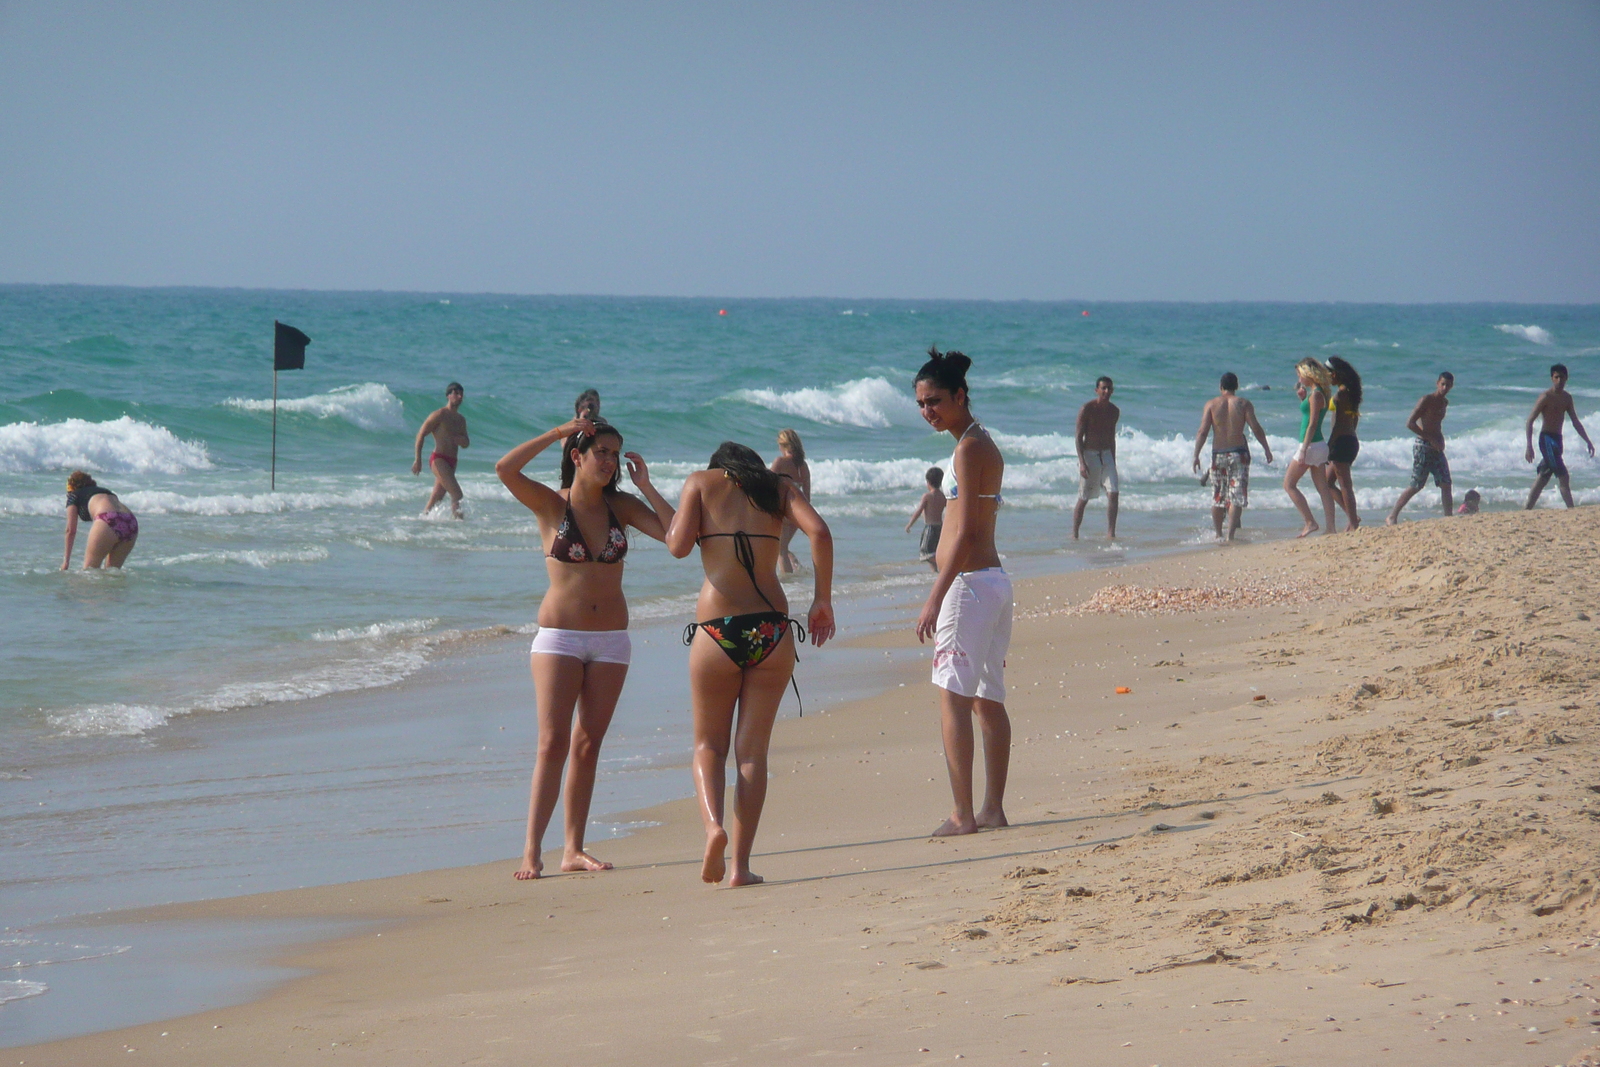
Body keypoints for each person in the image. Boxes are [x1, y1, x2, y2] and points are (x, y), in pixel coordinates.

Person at [495, 417, 677, 880]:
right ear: (578, 456)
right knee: (552, 742)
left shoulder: (623, 506)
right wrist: (557, 433)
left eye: (616, 454)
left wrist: (648, 486)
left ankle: (572, 848)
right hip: (559, 639)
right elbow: (505, 469)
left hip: (612, 641)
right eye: (602, 452)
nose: (611, 461)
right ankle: (532, 850)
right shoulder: (552, 507)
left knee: (588, 745)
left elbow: (679, 541)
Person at [668, 442, 834, 887]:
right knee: (752, 753)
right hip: (771, 632)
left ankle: (713, 828)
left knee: (708, 746)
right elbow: (820, 533)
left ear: (717, 466)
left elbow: (678, 547)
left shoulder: (700, 484)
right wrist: (822, 600)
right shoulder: (779, 488)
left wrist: (651, 492)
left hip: (717, 630)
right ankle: (740, 867)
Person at [913, 347, 1011, 838]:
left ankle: (962, 814)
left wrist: (936, 593)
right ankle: (991, 808)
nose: (928, 411)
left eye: (934, 401)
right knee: (986, 698)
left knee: (953, 697)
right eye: (922, 405)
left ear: (960, 396)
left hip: (969, 585)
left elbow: (967, 531)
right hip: (991, 583)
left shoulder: (968, 448)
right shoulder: (980, 444)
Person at [1190, 372, 1272, 542]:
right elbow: (1256, 427)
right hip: (1239, 453)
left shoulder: (1211, 404)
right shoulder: (1243, 404)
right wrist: (1266, 449)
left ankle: (1218, 534)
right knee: (1236, 495)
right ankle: (1230, 536)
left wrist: (1196, 455)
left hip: (1218, 454)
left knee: (1218, 496)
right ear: (1237, 387)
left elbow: (1202, 431)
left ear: (1221, 387)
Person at [1386, 372, 1455, 525]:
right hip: (1423, 446)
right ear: (1437, 383)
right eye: (1442, 384)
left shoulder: (1444, 403)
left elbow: (1436, 424)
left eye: (1448, 385)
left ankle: (1449, 518)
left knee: (1446, 483)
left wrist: (1440, 439)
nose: (1445, 388)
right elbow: (1410, 423)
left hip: (1436, 448)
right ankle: (1392, 515)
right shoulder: (1427, 400)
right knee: (1416, 484)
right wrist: (1430, 438)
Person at [1282, 358, 1340, 538]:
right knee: (1323, 488)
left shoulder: (1316, 395)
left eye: (1300, 375)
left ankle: (1310, 522)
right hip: (1318, 446)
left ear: (1308, 374)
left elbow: (1313, 423)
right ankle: (1330, 528)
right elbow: (1310, 414)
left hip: (1311, 445)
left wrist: (1302, 449)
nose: (1299, 379)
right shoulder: (1317, 392)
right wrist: (1302, 398)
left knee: (1289, 484)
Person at [1524, 363, 1594, 510]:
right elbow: (1530, 420)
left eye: (1562, 377)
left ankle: (1526, 509)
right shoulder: (1545, 397)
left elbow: (1575, 421)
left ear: (1566, 378)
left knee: (1543, 476)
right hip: (1546, 439)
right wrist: (1529, 446)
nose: (1559, 380)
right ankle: (1571, 509)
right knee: (1564, 476)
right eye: (1556, 377)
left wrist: (1587, 440)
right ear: (1552, 378)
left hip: (1557, 440)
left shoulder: (1567, 398)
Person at [412, 382, 470, 517]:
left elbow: (466, 443)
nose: (459, 396)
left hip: (452, 462)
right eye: (456, 393)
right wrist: (418, 460)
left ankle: (422, 521)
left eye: (461, 393)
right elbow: (421, 434)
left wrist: (462, 441)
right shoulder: (439, 415)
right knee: (457, 494)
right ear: (448, 396)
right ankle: (460, 526)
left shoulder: (461, 420)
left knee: (436, 497)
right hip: (439, 459)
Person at [60, 471, 138, 570]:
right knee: (112, 574)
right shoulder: (105, 491)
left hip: (107, 519)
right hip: (130, 521)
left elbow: (70, 530)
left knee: (89, 572)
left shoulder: (74, 495)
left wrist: (66, 561)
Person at [1072, 376, 1119, 540]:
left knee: (1114, 493)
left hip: (1106, 454)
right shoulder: (1087, 409)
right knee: (1084, 497)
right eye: (1103, 388)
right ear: (1097, 390)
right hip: (1089, 454)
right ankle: (1075, 534)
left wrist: (1114, 461)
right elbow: (1078, 437)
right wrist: (1082, 463)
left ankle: (1111, 533)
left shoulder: (1114, 411)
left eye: (1109, 389)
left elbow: (1112, 437)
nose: (1106, 391)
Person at [1322, 356, 1364, 531]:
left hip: (1341, 442)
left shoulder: (1340, 395)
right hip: (1350, 439)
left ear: (1335, 374)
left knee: (1345, 485)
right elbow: (1353, 420)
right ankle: (1353, 517)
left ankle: (1353, 523)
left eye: (1328, 374)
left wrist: (1329, 446)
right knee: (1327, 483)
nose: (1326, 377)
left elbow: (1338, 425)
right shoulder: (1351, 392)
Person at [771, 429, 812, 573]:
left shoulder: (780, 462)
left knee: (780, 550)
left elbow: (767, 486)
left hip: (783, 510)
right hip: (798, 512)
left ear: (783, 445)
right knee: (783, 546)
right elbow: (807, 496)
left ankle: (789, 584)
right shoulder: (803, 466)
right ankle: (797, 567)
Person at [905, 467, 947, 570]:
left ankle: (944, 564)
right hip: (940, 528)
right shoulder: (943, 496)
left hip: (930, 528)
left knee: (926, 554)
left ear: (928, 482)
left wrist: (909, 524)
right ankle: (937, 574)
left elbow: (918, 511)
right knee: (934, 551)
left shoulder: (927, 496)